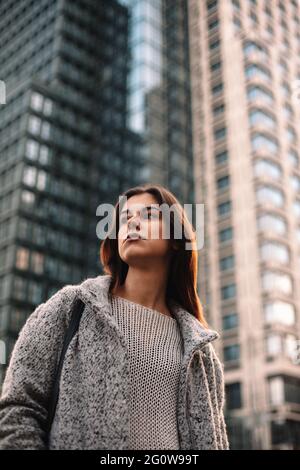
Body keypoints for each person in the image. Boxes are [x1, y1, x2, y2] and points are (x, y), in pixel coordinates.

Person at [0, 183, 229, 450]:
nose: (132, 223)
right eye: (125, 218)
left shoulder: (202, 352)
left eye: (148, 215)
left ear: (177, 239)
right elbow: (18, 409)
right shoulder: (71, 307)